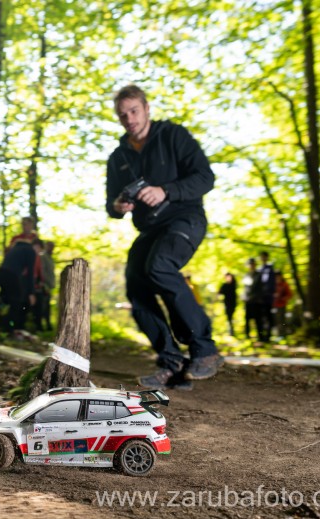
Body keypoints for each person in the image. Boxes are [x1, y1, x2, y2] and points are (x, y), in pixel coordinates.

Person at [106, 84, 222, 389]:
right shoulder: (118, 157)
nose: (129, 119)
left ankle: (205, 350)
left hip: (185, 218)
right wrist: (118, 206)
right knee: (136, 284)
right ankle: (172, 364)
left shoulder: (173, 135)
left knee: (158, 266)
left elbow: (206, 178)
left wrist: (166, 191)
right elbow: (111, 205)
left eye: (134, 111)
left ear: (146, 109)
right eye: (122, 115)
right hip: (150, 228)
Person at [0, 238, 38, 336]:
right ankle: (10, 329)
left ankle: (1, 325)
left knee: (8, 300)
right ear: (37, 246)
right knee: (16, 302)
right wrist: (31, 293)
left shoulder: (17, 248)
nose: (38, 254)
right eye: (39, 251)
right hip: (11, 276)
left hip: (1, 274)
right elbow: (30, 273)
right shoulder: (30, 250)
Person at [241, 258, 263, 339]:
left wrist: (257, 297)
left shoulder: (259, 275)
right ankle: (247, 336)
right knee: (247, 318)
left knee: (258, 319)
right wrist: (245, 296)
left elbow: (259, 288)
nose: (251, 266)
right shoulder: (246, 275)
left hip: (256, 300)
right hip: (248, 300)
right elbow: (246, 288)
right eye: (250, 264)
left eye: (252, 264)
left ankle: (260, 336)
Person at [258, 251, 276, 342]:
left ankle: (268, 336)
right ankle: (262, 336)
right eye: (262, 257)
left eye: (264, 257)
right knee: (261, 317)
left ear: (267, 257)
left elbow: (272, 283)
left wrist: (270, 293)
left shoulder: (270, 269)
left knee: (268, 316)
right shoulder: (259, 269)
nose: (263, 258)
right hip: (259, 298)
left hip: (268, 297)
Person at [39, 240, 56, 331]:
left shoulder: (50, 258)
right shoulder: (43, 257)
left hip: (49, 286)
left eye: (52, 246)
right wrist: (45, 284)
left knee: (47, 306)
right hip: (44, 286)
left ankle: (48, 325)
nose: (51, 248)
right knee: (42, 306)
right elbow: (42, 272)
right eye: (49, 246)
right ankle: (40, 325)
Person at [273, 271, 293, 337]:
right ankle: (278, 334)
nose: (277, 277)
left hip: (282, 305)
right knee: (275, 320)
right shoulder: (272, 285)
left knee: (281, 320)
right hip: (274, 305)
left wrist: (283, 298)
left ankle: (283, 334)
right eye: (276, 276)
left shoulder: (284, 284)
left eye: (278, 276)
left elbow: (290, 294)